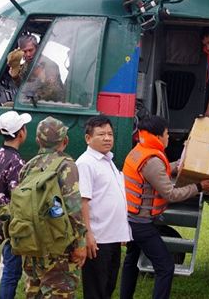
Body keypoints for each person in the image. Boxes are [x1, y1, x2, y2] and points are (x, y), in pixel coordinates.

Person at [120, 115, 209, 299]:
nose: (169, 137)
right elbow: (171, 194)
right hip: (142, 224)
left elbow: (157, 173)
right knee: (166, 267)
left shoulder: (139, 150)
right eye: (167, 134)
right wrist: (200, 187)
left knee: (131, 260)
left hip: (132, 218)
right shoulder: (152, 160)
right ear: (158, 136)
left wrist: (177, 166)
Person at [19, 116, 87, 298]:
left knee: (34, 291)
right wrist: (80, 243)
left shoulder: (27, 167)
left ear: (37, 141)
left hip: (31, 242)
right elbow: (73, 207)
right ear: (66, 140)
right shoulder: (66, 165)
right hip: (57, 246)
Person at [76, 115, 131, 299]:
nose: (107, 138)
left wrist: (122, 232)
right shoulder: (86, 163)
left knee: (108, 287)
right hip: (98, 240)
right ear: (88, 138)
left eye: (109, 134)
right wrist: (88, 234)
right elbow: (82, 200)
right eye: (101, 134)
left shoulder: (108, 160)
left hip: (112, 238)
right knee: (96, 291)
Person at [0, 111, 31, 299]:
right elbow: (20, 198)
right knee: (12, 273)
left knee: (10, 268)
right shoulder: (16, 162)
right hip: (11, 226)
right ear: (21, 133)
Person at [7, 34, 65, 102]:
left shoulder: (49, 65)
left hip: (48, 105)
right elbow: (23, 86)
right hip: (33, 101)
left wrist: (43, 78)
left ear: (37, 48)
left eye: (31, 50)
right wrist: (15, 77)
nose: (28, 55)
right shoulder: (28, 64)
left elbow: (55, 93)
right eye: (24, 51)